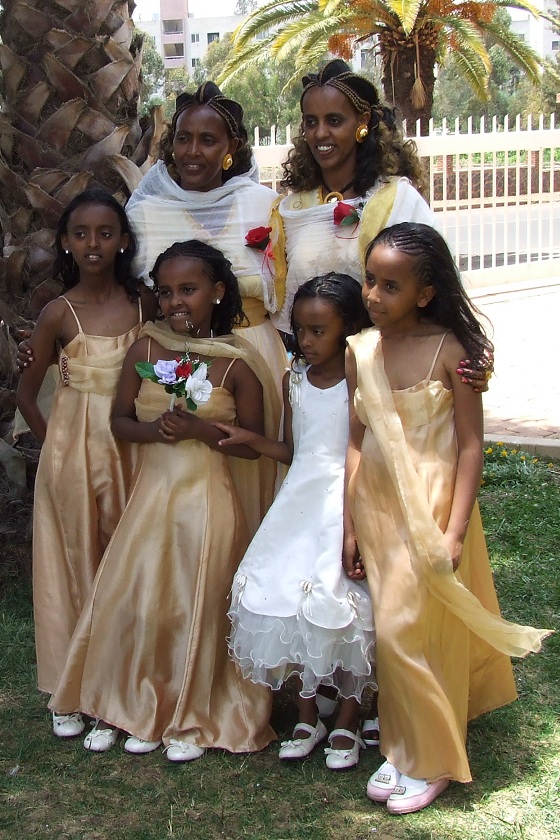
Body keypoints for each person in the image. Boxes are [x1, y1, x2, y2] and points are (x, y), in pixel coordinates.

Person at [343, 222, 549, 814]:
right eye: (370, 281)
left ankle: (431, 757)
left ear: (426, 293)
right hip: (376, 507)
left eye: (391, 286)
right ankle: (406, 741)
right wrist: (350, 522)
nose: (374, 296)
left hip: (432, 507)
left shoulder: (451, 353)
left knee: (409, 629)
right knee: (395, 629)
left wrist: (455, 529)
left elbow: (469, 445)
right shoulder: (362, 351)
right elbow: (354, 440)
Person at [49, 240, 277, 761]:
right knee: (138, 597)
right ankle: (128, 701)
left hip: (208, 503)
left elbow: (252, 450)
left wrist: (201, 430)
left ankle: (192, 708)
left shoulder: (238, 365)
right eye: (167, 291)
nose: (176, 301)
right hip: (151, 498)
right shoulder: (146, 348)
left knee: (198, 597)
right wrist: (158, 432)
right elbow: (121, 422)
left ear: (218, 292)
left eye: (189, 290)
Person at [217, 274, 376, 770]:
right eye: (299, 331)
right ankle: (308, 713)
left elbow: (359, 450)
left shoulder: (362, 381)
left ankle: (349, 715)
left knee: (347, 603)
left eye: (317, 331)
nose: (305, 342)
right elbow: (293, 448)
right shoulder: (295, 381)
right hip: (298, 502)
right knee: (290, 600)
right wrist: (253, 439)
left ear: (348, 330)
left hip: (343, 502)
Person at [16, 188, 156, 738]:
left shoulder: (145, 305)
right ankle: (76, 685)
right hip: (73, 455)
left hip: (133, 447)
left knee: (126, 558)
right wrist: (56, 447)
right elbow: (28, 395)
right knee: (80, 559)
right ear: (65, 244)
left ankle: (125, 677)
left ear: (123, 241)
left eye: (105, 233)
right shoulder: (58, 313)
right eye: (81, 234)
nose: (93, 244)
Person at [126, 81, 287, 398]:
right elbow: (121, 295)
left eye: (208, 140)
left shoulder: (265, 206)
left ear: (232, 146)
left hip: (257, 357)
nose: (193, 151)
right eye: (183, 139)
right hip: (175, 361)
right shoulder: (145, 215)